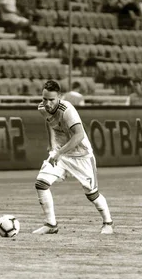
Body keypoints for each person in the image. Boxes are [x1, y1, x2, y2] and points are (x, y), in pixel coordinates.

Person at [33, 80, 113, 235]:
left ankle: (108, 223)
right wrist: (51, 144)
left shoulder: (67, 109)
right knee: (41, 184)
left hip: (81, 155)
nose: (47, 103)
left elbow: (79, 135)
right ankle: (51, 224)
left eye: (51, 100)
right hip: (60, 154)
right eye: (44, 99)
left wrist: (59, 152)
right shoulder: (42, 108)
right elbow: (48, 122)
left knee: (92, 194)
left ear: (60, 97)